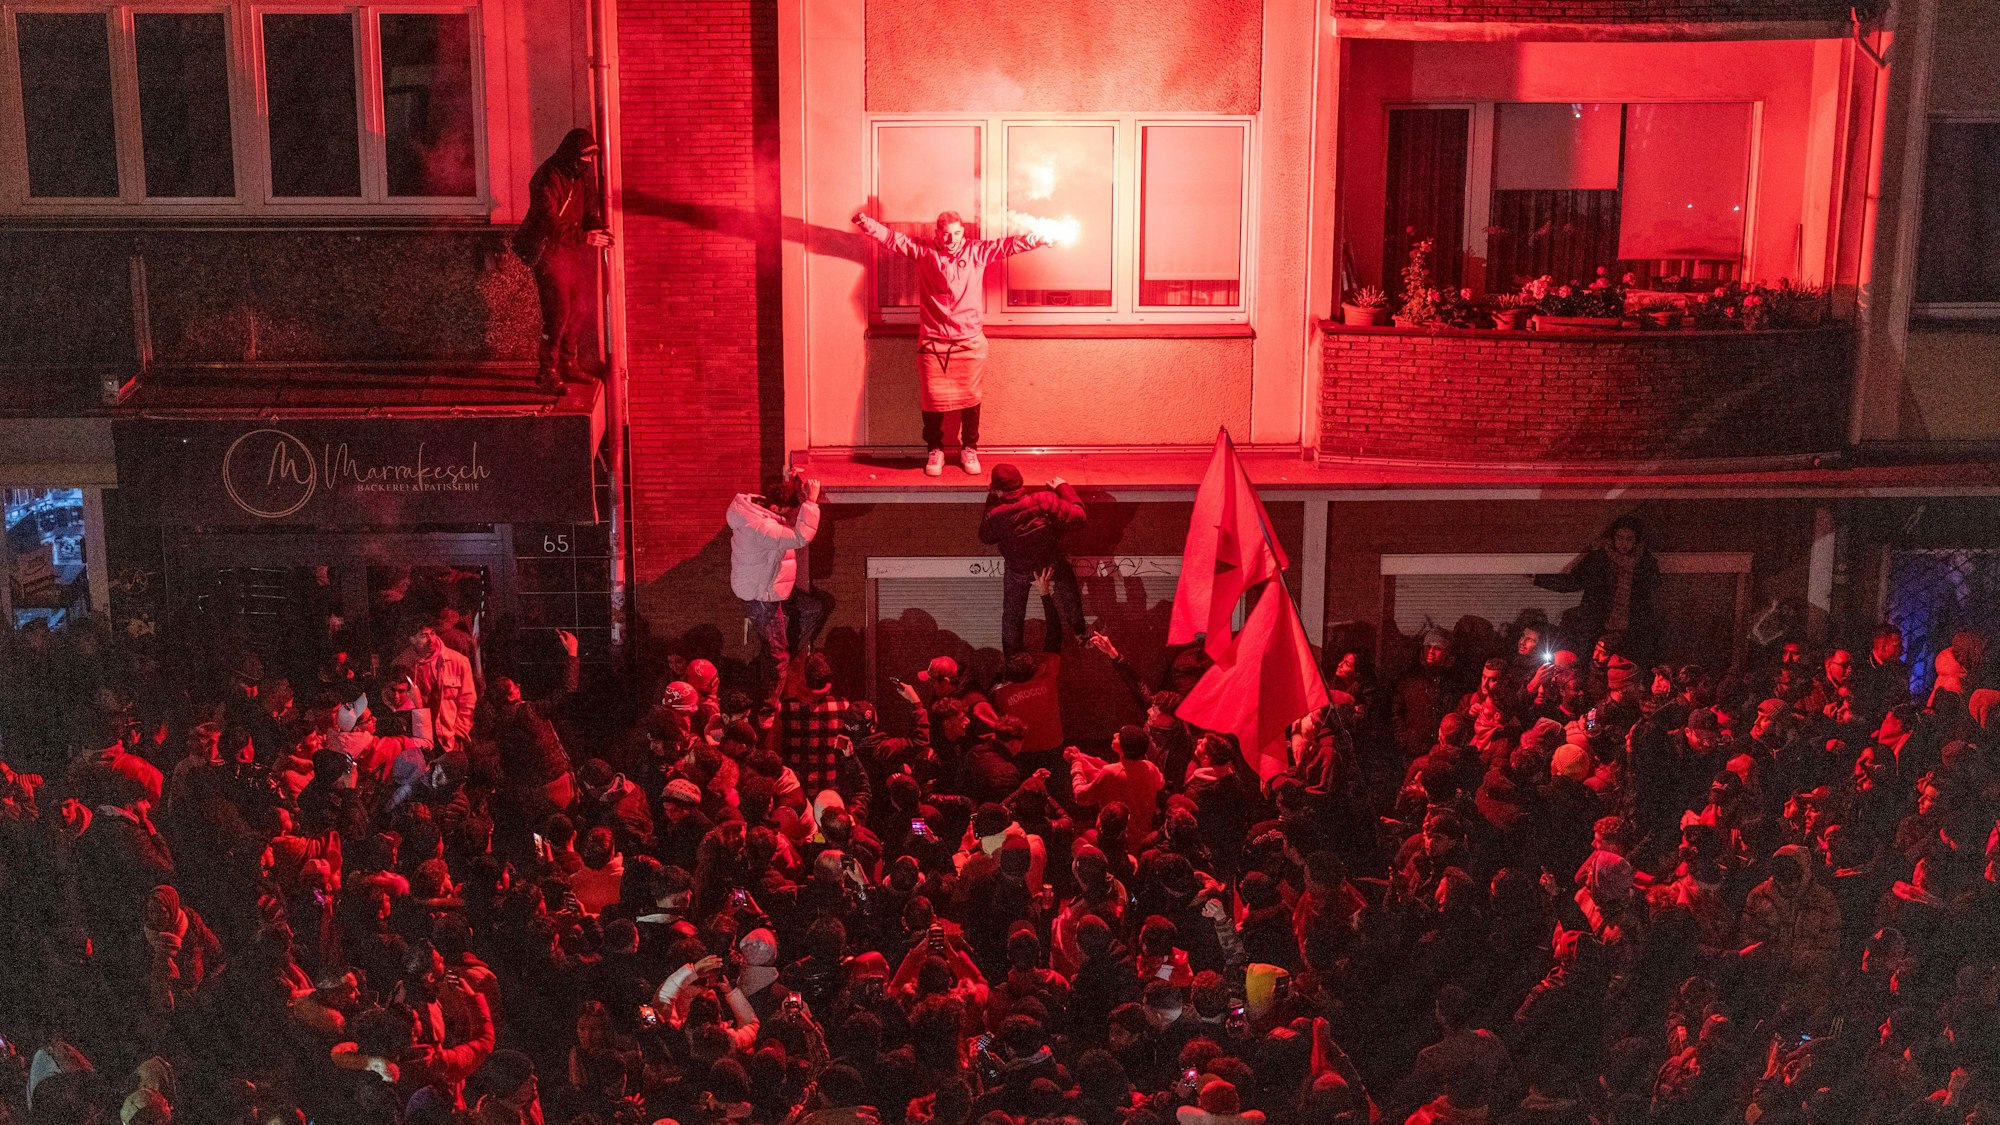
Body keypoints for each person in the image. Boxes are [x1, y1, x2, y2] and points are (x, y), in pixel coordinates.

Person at [851, 208, 1053, 475]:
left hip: (969, 340)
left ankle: (970, 449)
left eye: (957, 233)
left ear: (963, 232)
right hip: (933, 340)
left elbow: (1008, 245)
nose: (951, 239)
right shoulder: (925, 252)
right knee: (931, 399)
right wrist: (868, 224)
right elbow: (893, 240)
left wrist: (1038, 238)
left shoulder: (976, 252)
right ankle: (935, 450)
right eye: (946, 234)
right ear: (937, 233)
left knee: (971, 400)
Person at [513, 128, 613, 391]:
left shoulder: (580, 174)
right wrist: (584, 237)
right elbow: (549, 223)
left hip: (572, 249)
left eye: (591, 159)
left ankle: (568, 363)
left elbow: (590, 209)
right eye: (585, 158)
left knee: (580, 307)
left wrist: (598, 229)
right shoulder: (547, 178)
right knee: (558, 311)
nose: (589, 164)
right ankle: (547, 371)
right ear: (571, 156)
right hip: (548, 250)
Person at [727, 472, 825, 698]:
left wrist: (793, 483)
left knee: (812, 609)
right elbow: (800, 537)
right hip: (763, 598)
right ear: (774, 507)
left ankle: (778, 646)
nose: (789, 516)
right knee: (779, 658)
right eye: (787, 512)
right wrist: (811, 501)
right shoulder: (762, 527)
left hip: (769, 591)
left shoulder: (756, 511)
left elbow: (785, 515)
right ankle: (768, 707)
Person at [979, 464, 1087, 655]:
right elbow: (1079, 517)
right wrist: (1063, 488)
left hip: (1018, 570)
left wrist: (993, 501)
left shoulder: (995, 515)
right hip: (1049, 564)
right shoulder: (1043, 501)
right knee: (1068, 588)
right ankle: (1080, 632)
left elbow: (986, 537)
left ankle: (1013, 660)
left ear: (997, 490)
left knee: (1012, 615)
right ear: (1020, 482)